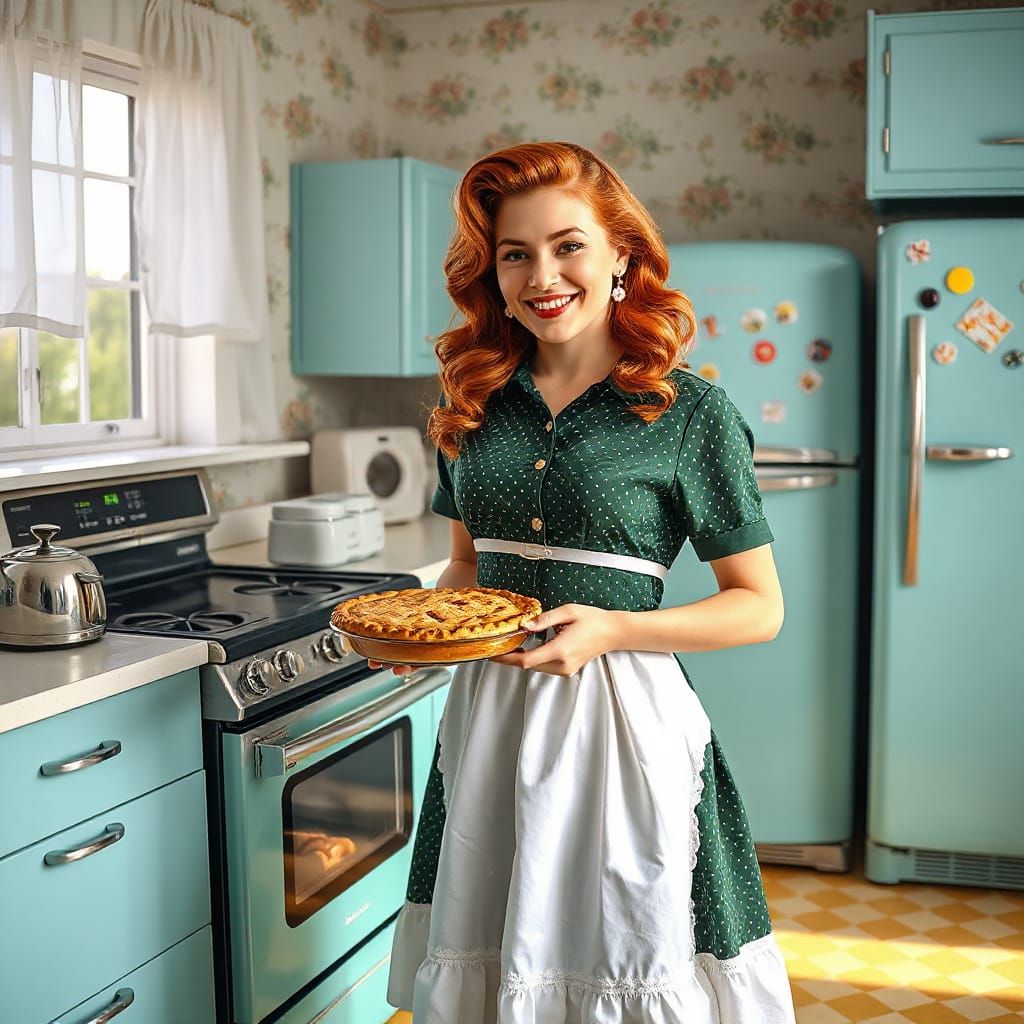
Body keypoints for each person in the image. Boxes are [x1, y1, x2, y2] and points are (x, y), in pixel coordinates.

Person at [380, 141, 796, 1023]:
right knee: (496, 959)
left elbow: (759, 607)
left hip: (620, 727)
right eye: (515, 254)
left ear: (621, 257)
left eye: (568, 245)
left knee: (625, 951)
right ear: (491, 274)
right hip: (490, 718)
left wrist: (611, 629)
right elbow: (465, 567)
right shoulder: (471, 404)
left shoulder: (688, 413)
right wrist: (423, 637)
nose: (544, 275)